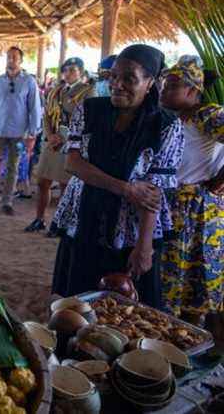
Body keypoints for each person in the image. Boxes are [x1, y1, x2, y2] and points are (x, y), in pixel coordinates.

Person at [50, 44, 184, 309]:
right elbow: (73, 164)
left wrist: (144, 247)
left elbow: (153, 192)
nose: (117, 85)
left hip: (131, 230)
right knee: (78, 304)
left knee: (128, 309)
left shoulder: (166, 125)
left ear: (150, 83)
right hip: (85, 214)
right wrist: (125, 189)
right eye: (114, 76)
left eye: (129, 79)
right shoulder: (89, 110)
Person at [159, 56, 224, 325]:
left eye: (172, 85)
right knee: (175, 276)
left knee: (194, 278)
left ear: (193, 90)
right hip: (173, 205)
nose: (163, 90)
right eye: (163, 85)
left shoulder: (207, 114)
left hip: (196, 208)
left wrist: (221, 177)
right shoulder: (172, 118)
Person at [26, 57, 95, 234]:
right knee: (42, 182)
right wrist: (50, 135)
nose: (68, 73)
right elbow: (47, 116)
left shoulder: (88, 92)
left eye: (72, 70)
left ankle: (61, 223)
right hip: (53, 141)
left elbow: (88, 120)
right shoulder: (56, 91)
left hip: (71, 142)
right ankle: (39, 219)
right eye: (65, 70)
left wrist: (66, 139)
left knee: (65, 185)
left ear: (81, 72)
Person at [0, 46, 42, 216]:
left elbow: (35, 109)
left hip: (19, 133)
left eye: (14, 57)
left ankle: (7, 202)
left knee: (14, 166)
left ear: (21, 60)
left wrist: (32, 134)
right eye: (9, 57)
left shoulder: (29, 81)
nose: (11, 60)